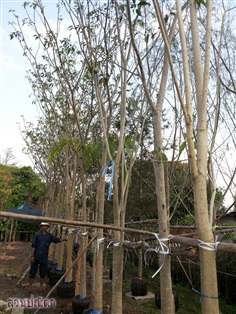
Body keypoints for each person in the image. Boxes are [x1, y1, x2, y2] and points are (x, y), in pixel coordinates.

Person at [28, 222, 67, 295]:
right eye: (43, 226)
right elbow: (33, 245)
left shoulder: (49, 236)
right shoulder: (37, 235)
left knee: (43, 273)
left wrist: (64, 239)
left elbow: (56, 240)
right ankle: (29, 288)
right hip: (36, 257)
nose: (44, 227)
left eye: (46, 226)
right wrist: (32, 256)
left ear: (48, 227)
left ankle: (41, 287)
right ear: (41, 227)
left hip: (44, 257)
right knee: (32, 273)